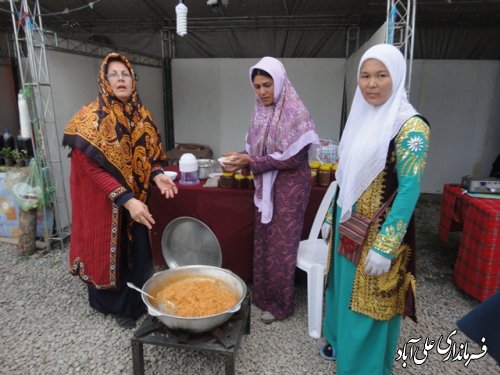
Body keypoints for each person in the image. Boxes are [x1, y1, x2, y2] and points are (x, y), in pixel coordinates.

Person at [320, 43, 430, 374]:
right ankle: (342, 347)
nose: (371, 84)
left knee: (370, 305)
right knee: (343, 294)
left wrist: (386, 246)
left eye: (381, 75)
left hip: (378, 233)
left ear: (396, 76)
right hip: (348, 224)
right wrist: (329, 216)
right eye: (365, 76)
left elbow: (410, 190)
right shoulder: (361, 118)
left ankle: (364, 368)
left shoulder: (411, 127)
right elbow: (344, 175)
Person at [63, 53, 178, 329]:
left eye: (125, 74)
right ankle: (116, 307)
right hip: (105, 205)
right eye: (113, 74)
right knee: (108, 252)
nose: (120, 79)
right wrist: (125, 199)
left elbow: (151, 158)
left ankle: (140, 301)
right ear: (104, 80)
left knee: (137, 251)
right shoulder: (89, 119)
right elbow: (89, 167)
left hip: (137, 202)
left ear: (133, 80)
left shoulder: (143, 116)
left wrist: (158, 174)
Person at [221, 56, 319, 323]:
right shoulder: (260, 112)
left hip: (289, 190)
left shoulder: (296, 112)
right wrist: (240, 157)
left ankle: (280, 305)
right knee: (263, 240)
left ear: (280, 83)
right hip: (266, 186)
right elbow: (260, 150)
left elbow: (292, 158)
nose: (262, 92)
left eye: (267, 85)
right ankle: (263, 297)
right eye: (257, 86)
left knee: (281, 246)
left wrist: (251, 161)